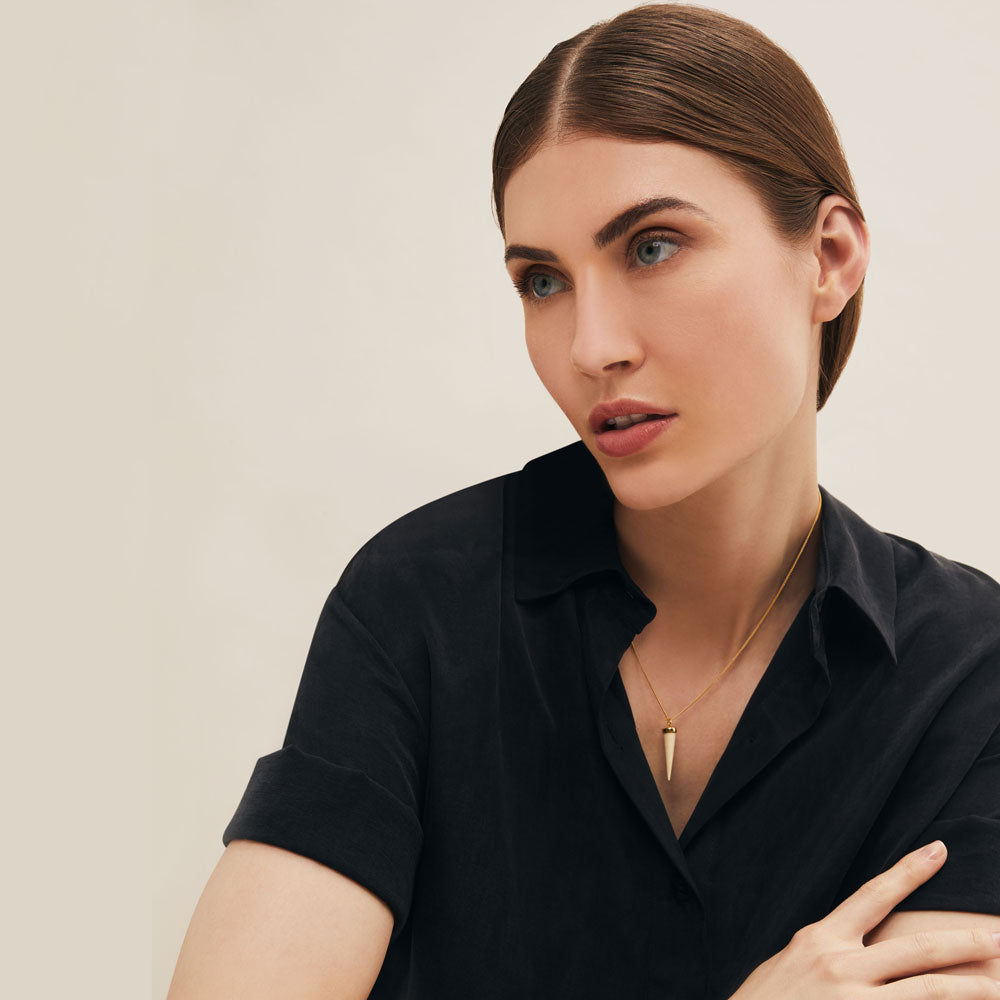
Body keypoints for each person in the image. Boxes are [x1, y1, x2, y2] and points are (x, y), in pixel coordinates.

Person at [166, 4, 1000, 998]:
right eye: (543, 281)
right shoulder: (423, 603)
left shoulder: (969, 669)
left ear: (828, 257)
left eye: (651, 247)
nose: (590, 346)